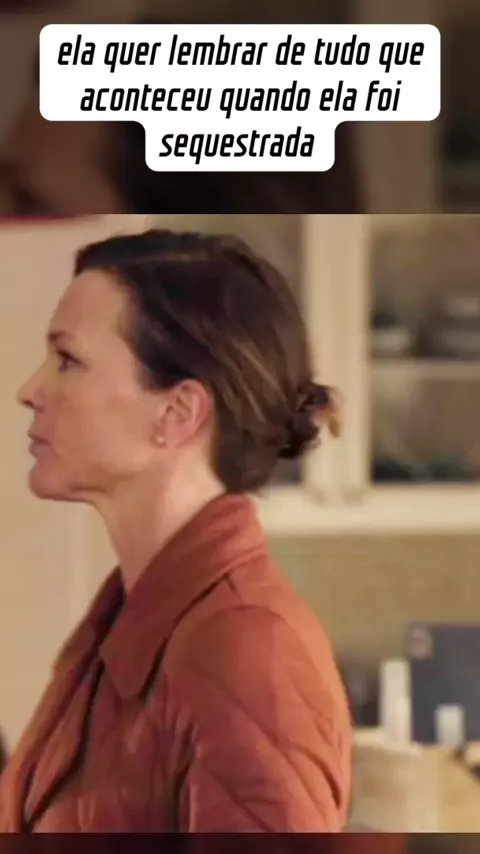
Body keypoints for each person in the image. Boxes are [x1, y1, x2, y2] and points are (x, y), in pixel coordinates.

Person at [0, 228, 351, 832]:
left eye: (68, 361)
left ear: (177, 412)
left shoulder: (247, 654)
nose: (29, 391)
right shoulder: (124, 622)